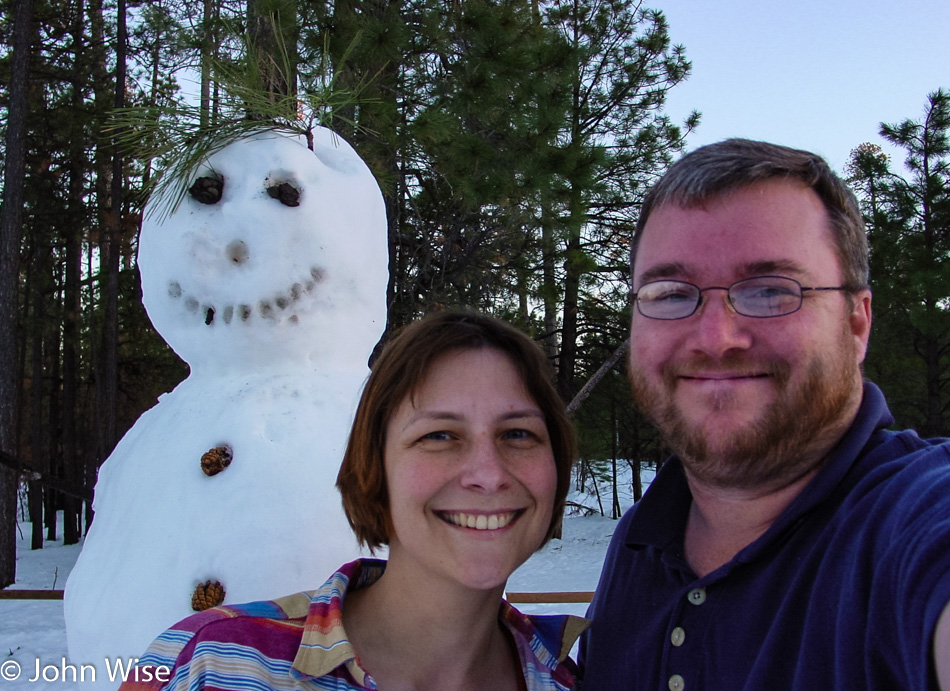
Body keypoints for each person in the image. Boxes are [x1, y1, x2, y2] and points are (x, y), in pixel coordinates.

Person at [579, 138, 950, 690]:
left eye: (773, 291)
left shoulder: (912, 517)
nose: (715, 338)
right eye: (671, 292)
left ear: (856, 322)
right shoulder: (643, 540)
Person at [120, 311, 586, 691]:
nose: (488, 474)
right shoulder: (213, 665)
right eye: (439, 435)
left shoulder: (573, 679)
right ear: (374, 466)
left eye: (518, 434)